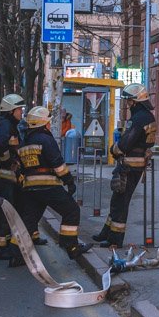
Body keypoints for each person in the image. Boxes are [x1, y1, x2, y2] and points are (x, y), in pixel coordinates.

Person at [16, 106, 92, 261]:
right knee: (71, 211)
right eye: (48, 122)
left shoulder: (24, 142)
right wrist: (69, 182)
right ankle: (71, 247)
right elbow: (58, 164)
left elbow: (20, 167)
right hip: (48, 185)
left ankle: (16, 254)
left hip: (30, 188)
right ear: (43, 123)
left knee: (28, 221)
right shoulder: (46, 139)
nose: (50, 125)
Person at [93, 83, 156, 248]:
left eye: (129, 101)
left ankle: (115, 239)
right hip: (132, 165)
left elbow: (127, 142)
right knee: (117, 199)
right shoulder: (146, 116)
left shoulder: (139, 118)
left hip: (129, 166)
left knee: (121, 202)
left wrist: (114, 149)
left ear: (135, 101)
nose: (127, 104)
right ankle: (106, 233)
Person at [0, 94, 25, 260]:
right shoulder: (5, 125)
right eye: (19, 109)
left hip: (5, 175)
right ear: (11, 111)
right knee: (1, 211)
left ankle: (4, 246)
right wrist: (10, 161)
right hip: (3, 175)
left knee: (5, 210)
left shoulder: (8, 124)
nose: (21, 112)